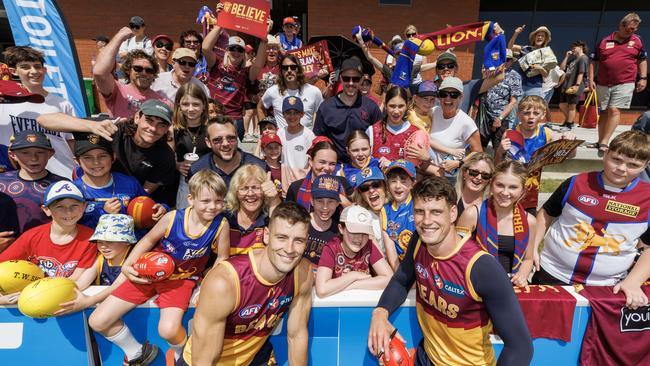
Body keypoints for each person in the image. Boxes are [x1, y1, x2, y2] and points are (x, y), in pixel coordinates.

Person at [367, 177, 533, 366]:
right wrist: (380, 313)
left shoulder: (481, 267)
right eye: (420, 212)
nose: (427, 221)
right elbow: (401, 280)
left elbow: (520, 348)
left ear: (453, 213)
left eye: (436, 212)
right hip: (426, 357)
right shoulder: (419, 242)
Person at [88, 170, 229, 364]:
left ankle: (184, 355)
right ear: (190, 199)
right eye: (206, 201)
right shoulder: (172, 218)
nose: (213, 207)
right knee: (97, 320)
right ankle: (138, 352)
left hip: (180, 280)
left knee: (168, 330)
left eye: (219, 201)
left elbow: (222, 258)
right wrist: (128, 265)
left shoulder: (221, 225)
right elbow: (147, 240)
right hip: (148, 273)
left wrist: (207, 286)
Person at [515, 131, 650, 308]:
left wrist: (633, 281)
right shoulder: (576, 182)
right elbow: (546, 213)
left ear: (645, 165)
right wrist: (531, 249)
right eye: (616, 159)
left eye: (633, 164)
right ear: (606, 153)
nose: (622, 168)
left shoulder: (647, 197)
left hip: (608, 286)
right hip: (552, 274)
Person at [179, 201, 313, 365]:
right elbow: (204, 359)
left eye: (298, 240)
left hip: (254, 357)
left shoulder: (302, 273)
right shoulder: (225, 282)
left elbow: (297, 334)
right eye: (281, 238)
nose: (290, 249)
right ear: (266, 235)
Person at [37, 100, 177, 206]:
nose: (153, 128)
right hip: (87, 191)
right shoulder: (112, 128)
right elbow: (43, 120)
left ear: (167, 129)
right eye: (149, 120)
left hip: (123, 198)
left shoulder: (165, 156)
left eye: (161, 125)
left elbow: (142, 194)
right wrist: (92, 126)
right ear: (137, 118)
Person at [1, 46, 76, 178]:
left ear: (45, 70)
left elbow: (71, 143)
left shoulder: (61, 104)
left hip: (62, 174)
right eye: (25, 67)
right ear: (13, 71)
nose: (34, 71)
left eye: (37, 66)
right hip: (15, 179)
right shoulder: (4, 103)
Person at [0, 181, 96, 283]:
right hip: (30, 292)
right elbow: (3, 265)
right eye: (60, 207)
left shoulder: (90, 238)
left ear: (84, 206)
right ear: (46, 209)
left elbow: (75, 279)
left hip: (64, 292)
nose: (68, 211)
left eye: (74, 205)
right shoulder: (31, 236)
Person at [456, 161, 535, 280]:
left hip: (512, 286)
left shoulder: (530, 221)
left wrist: (522, 275)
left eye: (513, 187)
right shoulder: (472, 214)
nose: (505, 192)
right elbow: (456, 255)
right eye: (500, 185)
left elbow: (528, 259)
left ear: (522, 191)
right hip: (476, 285)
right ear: (491, 184)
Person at [496, 95, 576, 213]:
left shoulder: (547, 134)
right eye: (527, 112)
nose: (531, 116)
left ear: (543, 115)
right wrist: (500, 151)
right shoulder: (510, 134)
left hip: (531, 192)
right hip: (508, 191)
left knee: (527, 224)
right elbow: (497, 165)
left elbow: (570, 155)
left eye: (536, 113)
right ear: (518, 114)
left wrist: (570, 142)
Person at [203, 3, 269, 141]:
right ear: (227, 50)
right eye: (232, 48)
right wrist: (220, 23)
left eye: (240, 50)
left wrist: (264, 39)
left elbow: (258, 65)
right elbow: (206, 48)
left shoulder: (245, 72)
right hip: (213, 117)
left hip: (235, 120)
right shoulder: (216, 64)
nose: (236, 52)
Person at [72, 132, 165, 229]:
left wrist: (161, 209)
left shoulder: (129, 183)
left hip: (132, 242)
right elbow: (71, 228)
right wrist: (104, 214)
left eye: (103, 156)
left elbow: (149, 206)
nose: (96, 162)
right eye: (87, 157)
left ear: (113, 157)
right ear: (77, 161)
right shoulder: (73, 190)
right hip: (94, 243)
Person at [588, 13, 647, 156]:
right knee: (604, 112)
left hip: (625, 82)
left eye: (634, 29)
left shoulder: (637, 41)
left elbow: (642, 60)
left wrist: (643, 78)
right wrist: (590, 79)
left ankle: (605, 142)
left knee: (614, 110)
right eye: (629, 29)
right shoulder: (604, 41)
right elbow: (594, 61)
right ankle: (600, 140)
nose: (631, 32)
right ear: (621, 25)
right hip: (603, 82)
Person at [55, 214, 136, 316]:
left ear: (127, 242)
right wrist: (59, 295)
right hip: (105, 306)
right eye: (99, 241)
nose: (103, 246)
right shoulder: (100, 259)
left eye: (110, 241)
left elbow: (118, 286)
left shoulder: (134, 258)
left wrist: (89, 301)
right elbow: (81, 283)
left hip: (128, 307)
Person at [313, 58, 383, 163]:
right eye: (346, 78)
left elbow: (380, 137)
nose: (351, 83)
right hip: (335, 167)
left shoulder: (371, 107)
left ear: (361, 80)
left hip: (363, 167)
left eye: (355, 79)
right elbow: (319, 140)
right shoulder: (326, 107)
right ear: (341, 78)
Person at [316, 204, 393, 297]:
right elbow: (322, 290)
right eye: (354, 232)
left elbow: (389, 279)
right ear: (341, 229)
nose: (359, 238)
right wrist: (353, 276)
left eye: (364, 233)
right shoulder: (331, 248)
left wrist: (353, 285)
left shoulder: (369, 245)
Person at [94, 27, 170, 118]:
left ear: (154, 74)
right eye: (138, 68)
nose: (144, 73)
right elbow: (99, 72)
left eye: (149, 70)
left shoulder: (162, 102)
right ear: (128, 70)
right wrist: (119, 36)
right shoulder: (118, 90)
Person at [0, 130, 66, 234]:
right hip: (9, 248)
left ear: (50, 154)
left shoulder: (63, 185)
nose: (34, 158)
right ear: (12, 155)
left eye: (40, 152)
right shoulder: (1, 183)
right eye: (25, 153)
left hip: (48, 247)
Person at [428, 77, 482, 183]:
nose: (448, 98)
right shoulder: (432, 112)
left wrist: (459, 163)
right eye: (443, 94)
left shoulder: (466, 123)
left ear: (461, 97)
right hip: (428, 172)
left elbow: (478, 153)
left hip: (449, 179)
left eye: (453, 95)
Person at [188, 116, 267, 188]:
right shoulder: (197, 170)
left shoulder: (260, 167)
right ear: (208, 142)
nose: (225, 144)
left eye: (230, 138)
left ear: (237, 138)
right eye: (218, 140)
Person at [225, 164, 281, 256]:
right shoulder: (225, 217)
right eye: (244, 188)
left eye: (256, 188)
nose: (250, 194)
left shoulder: (268, 218)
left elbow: (280, 226)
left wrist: (274, 199)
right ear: (236, 192)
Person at [172, 83, 212, 209]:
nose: (190, 109)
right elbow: (166, 158)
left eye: (196, 104)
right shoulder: (173, 129)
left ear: (204, 105)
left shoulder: (212, 127)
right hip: (185, 184)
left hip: (210, 182)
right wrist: (178, 165)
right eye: (185, 104)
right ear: (179, 105)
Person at [286, 138, 352, 211]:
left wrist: (341, 198)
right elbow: (287, 217)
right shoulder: (296, 188)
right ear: (310, 161)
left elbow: (358, 214)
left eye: (332, 164)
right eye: (322, 162)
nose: (327, 168)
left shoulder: (342, 183)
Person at [260, 54, 323, 129]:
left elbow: (322, 114)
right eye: (285, 68)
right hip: (281, 140)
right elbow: (260, 107)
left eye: (293, 67)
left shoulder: (314, 91)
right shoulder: (272, 91)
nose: (289, 70)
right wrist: (264, 129)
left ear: (298, 69)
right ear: (281, 71)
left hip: (307, 140)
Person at [352, 166, 398, 265]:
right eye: (365, 188)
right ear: (360, 194)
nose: (371, 190)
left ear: (385, 187)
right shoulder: (361, 218)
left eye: (376, 185)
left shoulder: (399, 209)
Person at [433, 50, 505, 113]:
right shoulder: (428, 89)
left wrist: (496, 47)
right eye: (441, 66)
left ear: (456, 69)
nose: (446, 69)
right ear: (436, 70)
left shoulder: (468, 87)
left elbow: (499, 77)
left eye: (450, 66)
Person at [477, 49, 522, 148]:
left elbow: (513, 101)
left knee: (500, 150)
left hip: (500, 119)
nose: (504, 62)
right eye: (502, 59)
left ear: (511, 61)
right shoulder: (490, 71)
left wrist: (500, 118)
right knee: (478, 149)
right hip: (484, 117)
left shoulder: (515, 76)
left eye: (507, 59)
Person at [368, 85, 420, 167]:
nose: (396, 111)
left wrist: (427, 159)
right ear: (385, 105)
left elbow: (417, 168)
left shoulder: (415, 133)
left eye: (401, 106)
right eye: (392, 106)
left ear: (407, 105)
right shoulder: (372, 131)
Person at [277, 96, 315, 193]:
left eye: (296, 113)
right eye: (288, 113)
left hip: (303, 187)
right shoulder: (280, 133)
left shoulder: (308, 135)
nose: (292, 116)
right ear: (283, 114)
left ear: (302, 114)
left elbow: (313, 161)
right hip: (285, 187)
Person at [382, 160, 417, 265]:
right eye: (393, 181)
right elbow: (390, 250)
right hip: (401, 266)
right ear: (387, 184)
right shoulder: (385, 210)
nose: (398, 186)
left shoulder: (419, 203)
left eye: (403, 181)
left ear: (412, 183)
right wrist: (399, 278)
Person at [304, 174, 341, 267]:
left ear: (337, 203)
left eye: (330, 201)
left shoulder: (338, 232)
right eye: (320, 201)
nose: (325, 207)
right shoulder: (300, 223)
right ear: (312, 201)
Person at [558, 41, 589, 131]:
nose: (572, 50)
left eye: (574, 48)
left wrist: (577, 85)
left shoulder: (583, 58)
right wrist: (567, 56)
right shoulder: (573, 60)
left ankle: (568, 125)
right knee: (562, 104)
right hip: (567, 85)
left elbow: (581, 73)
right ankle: (570, 121)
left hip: (574, 85)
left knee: (572, 106)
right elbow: (562, 68)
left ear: (581, 47)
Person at [455, 152, 494, 217]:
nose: (479, 178)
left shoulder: (491, 206)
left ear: (489, 180)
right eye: (474, 172)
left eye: (485, 175)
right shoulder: (449, 198)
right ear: (464, 173)